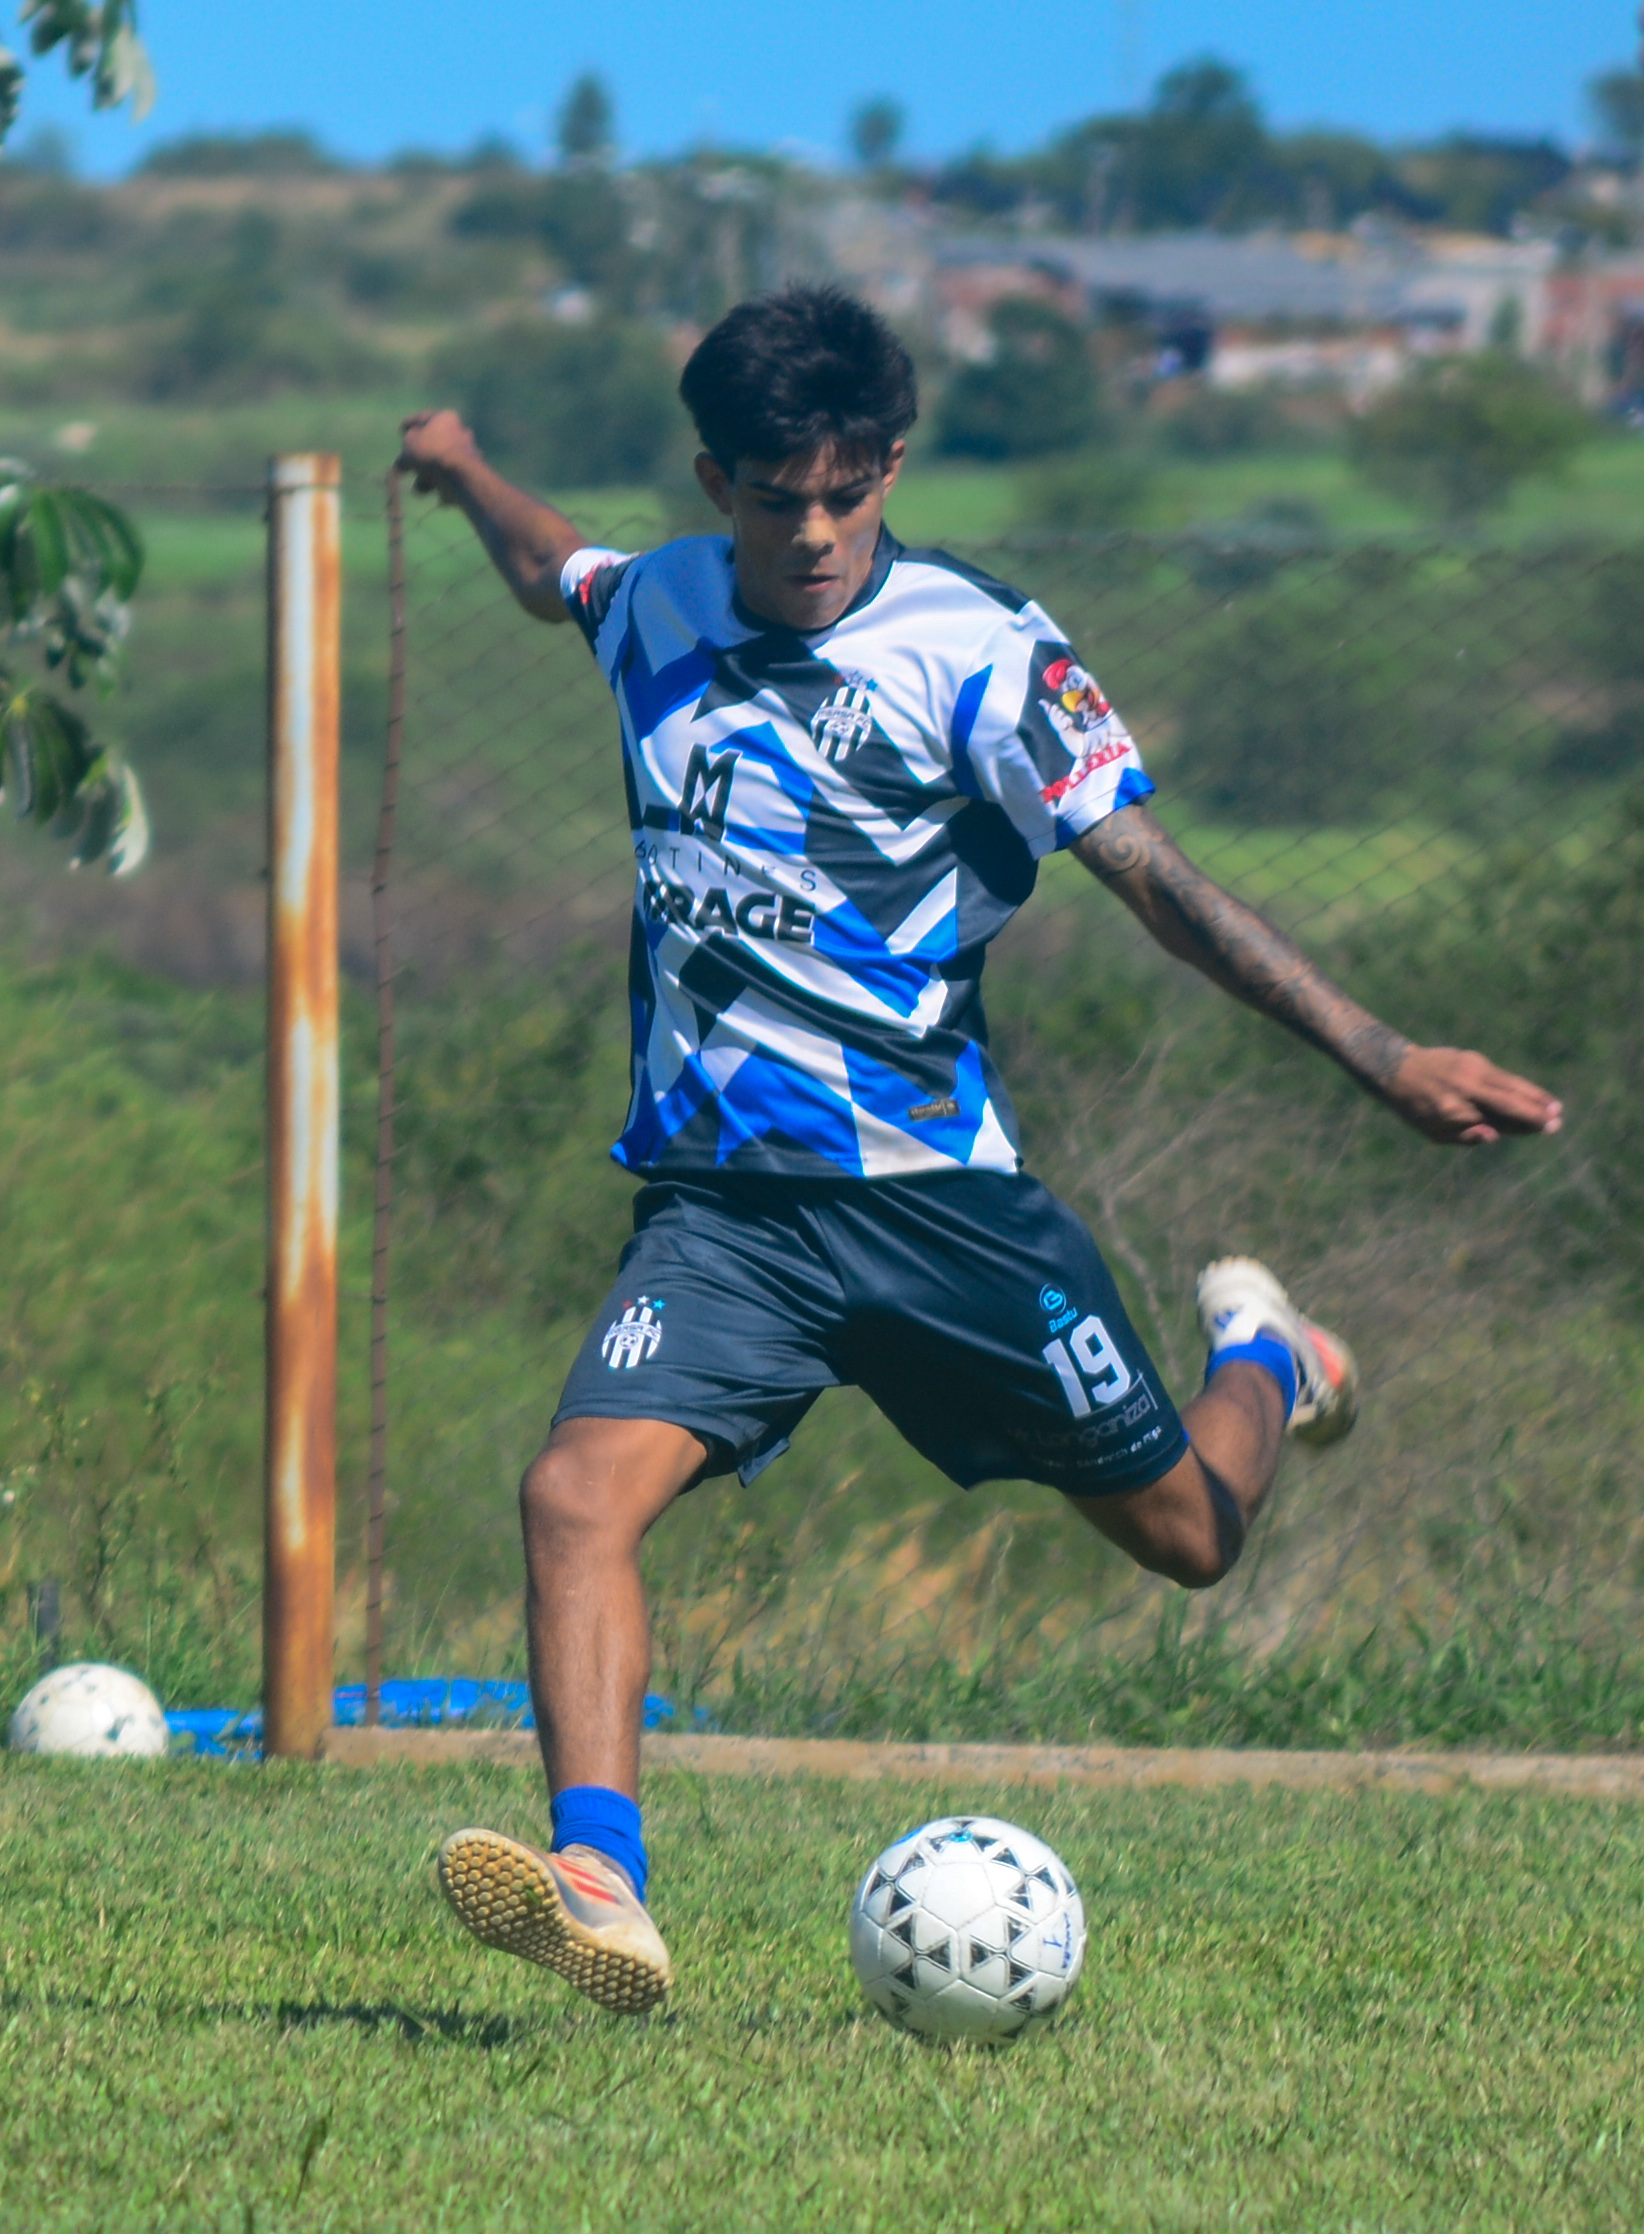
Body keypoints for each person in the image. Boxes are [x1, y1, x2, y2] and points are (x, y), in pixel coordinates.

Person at [397, 286, 1561, 2014]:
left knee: (1189, 1538)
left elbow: (1159, 885)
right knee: (573, 1494)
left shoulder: (982, 651)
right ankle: (600, 1879)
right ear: (716, 483)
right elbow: (545, 562)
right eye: (776, 497)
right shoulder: (655, 605)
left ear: (888, 466)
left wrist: (1379, 1053)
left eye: (846, 491)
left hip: (941, 1211)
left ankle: (1266, 1351)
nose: (813, 532)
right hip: (726, 1221)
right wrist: (464, 466)